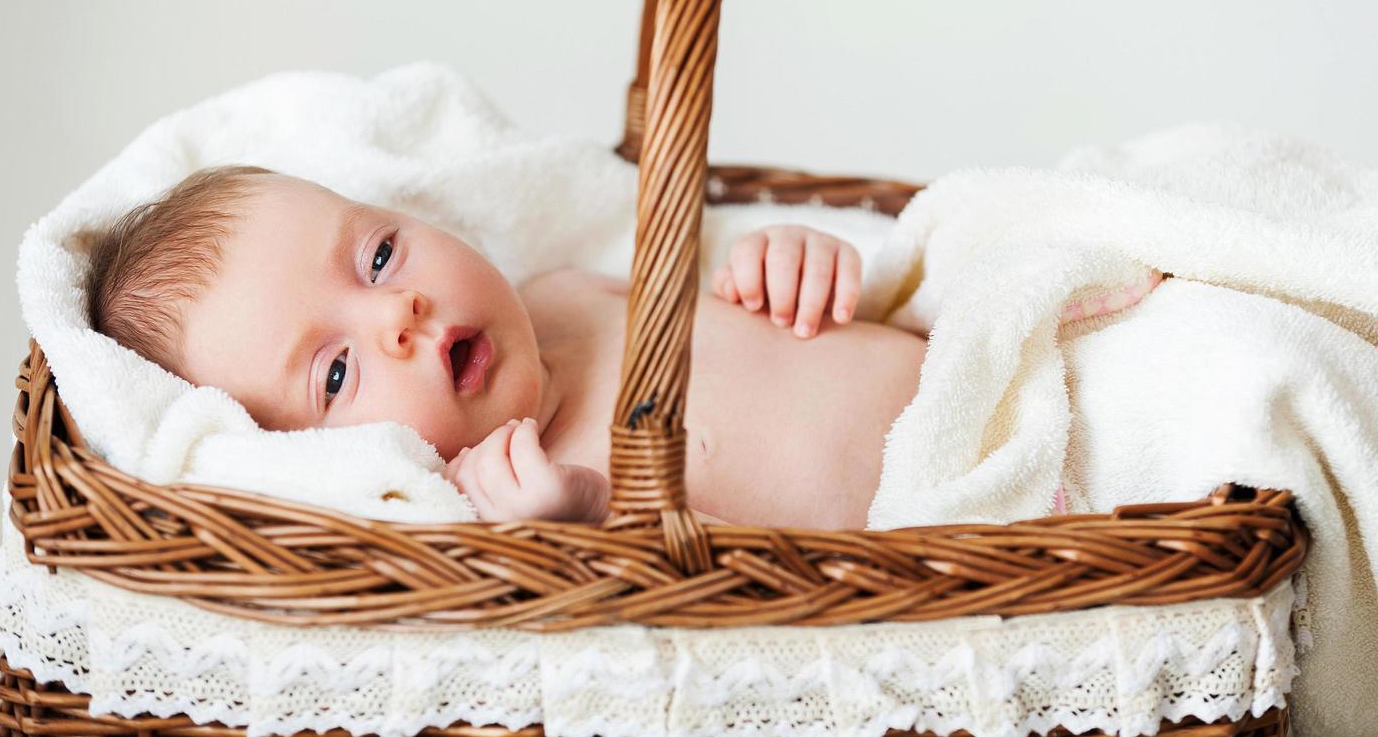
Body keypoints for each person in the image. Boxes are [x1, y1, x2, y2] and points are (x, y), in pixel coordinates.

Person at [87, 165, 929, 529]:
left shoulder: (566, 292)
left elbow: (747, 307)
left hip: (986, 366)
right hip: (984, 521)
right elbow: (719, 610)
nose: (398, 313)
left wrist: (788, 262)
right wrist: (585, 530)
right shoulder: (513, 500)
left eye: (379, 256)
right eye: (337, 372)